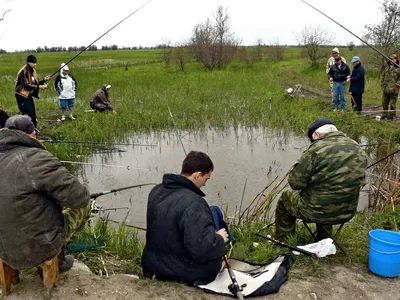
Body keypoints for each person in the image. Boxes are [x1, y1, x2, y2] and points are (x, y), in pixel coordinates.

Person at [0, 115, 91, 273]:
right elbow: (79, 196)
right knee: (84, 207)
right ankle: (58, 257)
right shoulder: (37, 158)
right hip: (37, 249)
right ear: (33, 133)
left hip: (3, 246)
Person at [141, 151, 229, 284]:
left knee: (213, 211)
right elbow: (202, 251)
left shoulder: (156, 191)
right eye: (206, 179)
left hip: (151, 266)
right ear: (197, 175)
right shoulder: (194, 203)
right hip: (181, 272)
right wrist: (220, 239)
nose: (205, 184)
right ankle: (228, 241)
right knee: (216, 221)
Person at [274, 117, 367, 241]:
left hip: (315, 212)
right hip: (347, 212)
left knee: (285, 197)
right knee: (326, 194)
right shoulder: (357, 147)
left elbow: (295, 184)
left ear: (317, 134)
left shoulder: (315, 150)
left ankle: (283, 241)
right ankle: (324, 240)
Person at [15, 55, 51, 127]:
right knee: (27, 116)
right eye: (33, 63)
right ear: (28, 62)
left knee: (33, 114)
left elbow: (34, 83)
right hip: (21, 96)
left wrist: (44, 80)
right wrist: (40, 87)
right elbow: (26, 86)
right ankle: (27, 132)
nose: (35, 64)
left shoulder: (33, 71)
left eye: (35, 63)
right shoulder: (23, 71)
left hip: (28, 95)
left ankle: (33, 131)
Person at [381, 54, 400, 120]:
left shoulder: (398, 68)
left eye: (392, 59)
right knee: (384, 102)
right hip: (386, 88)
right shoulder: (387, 67)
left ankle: (392, 115)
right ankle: (384, 114)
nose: (391, 60)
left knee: (392, 104)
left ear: (396, 59)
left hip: (394, 89)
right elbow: (383, 75)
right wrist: (382, 84)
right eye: (390, 59)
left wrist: (397, 84)